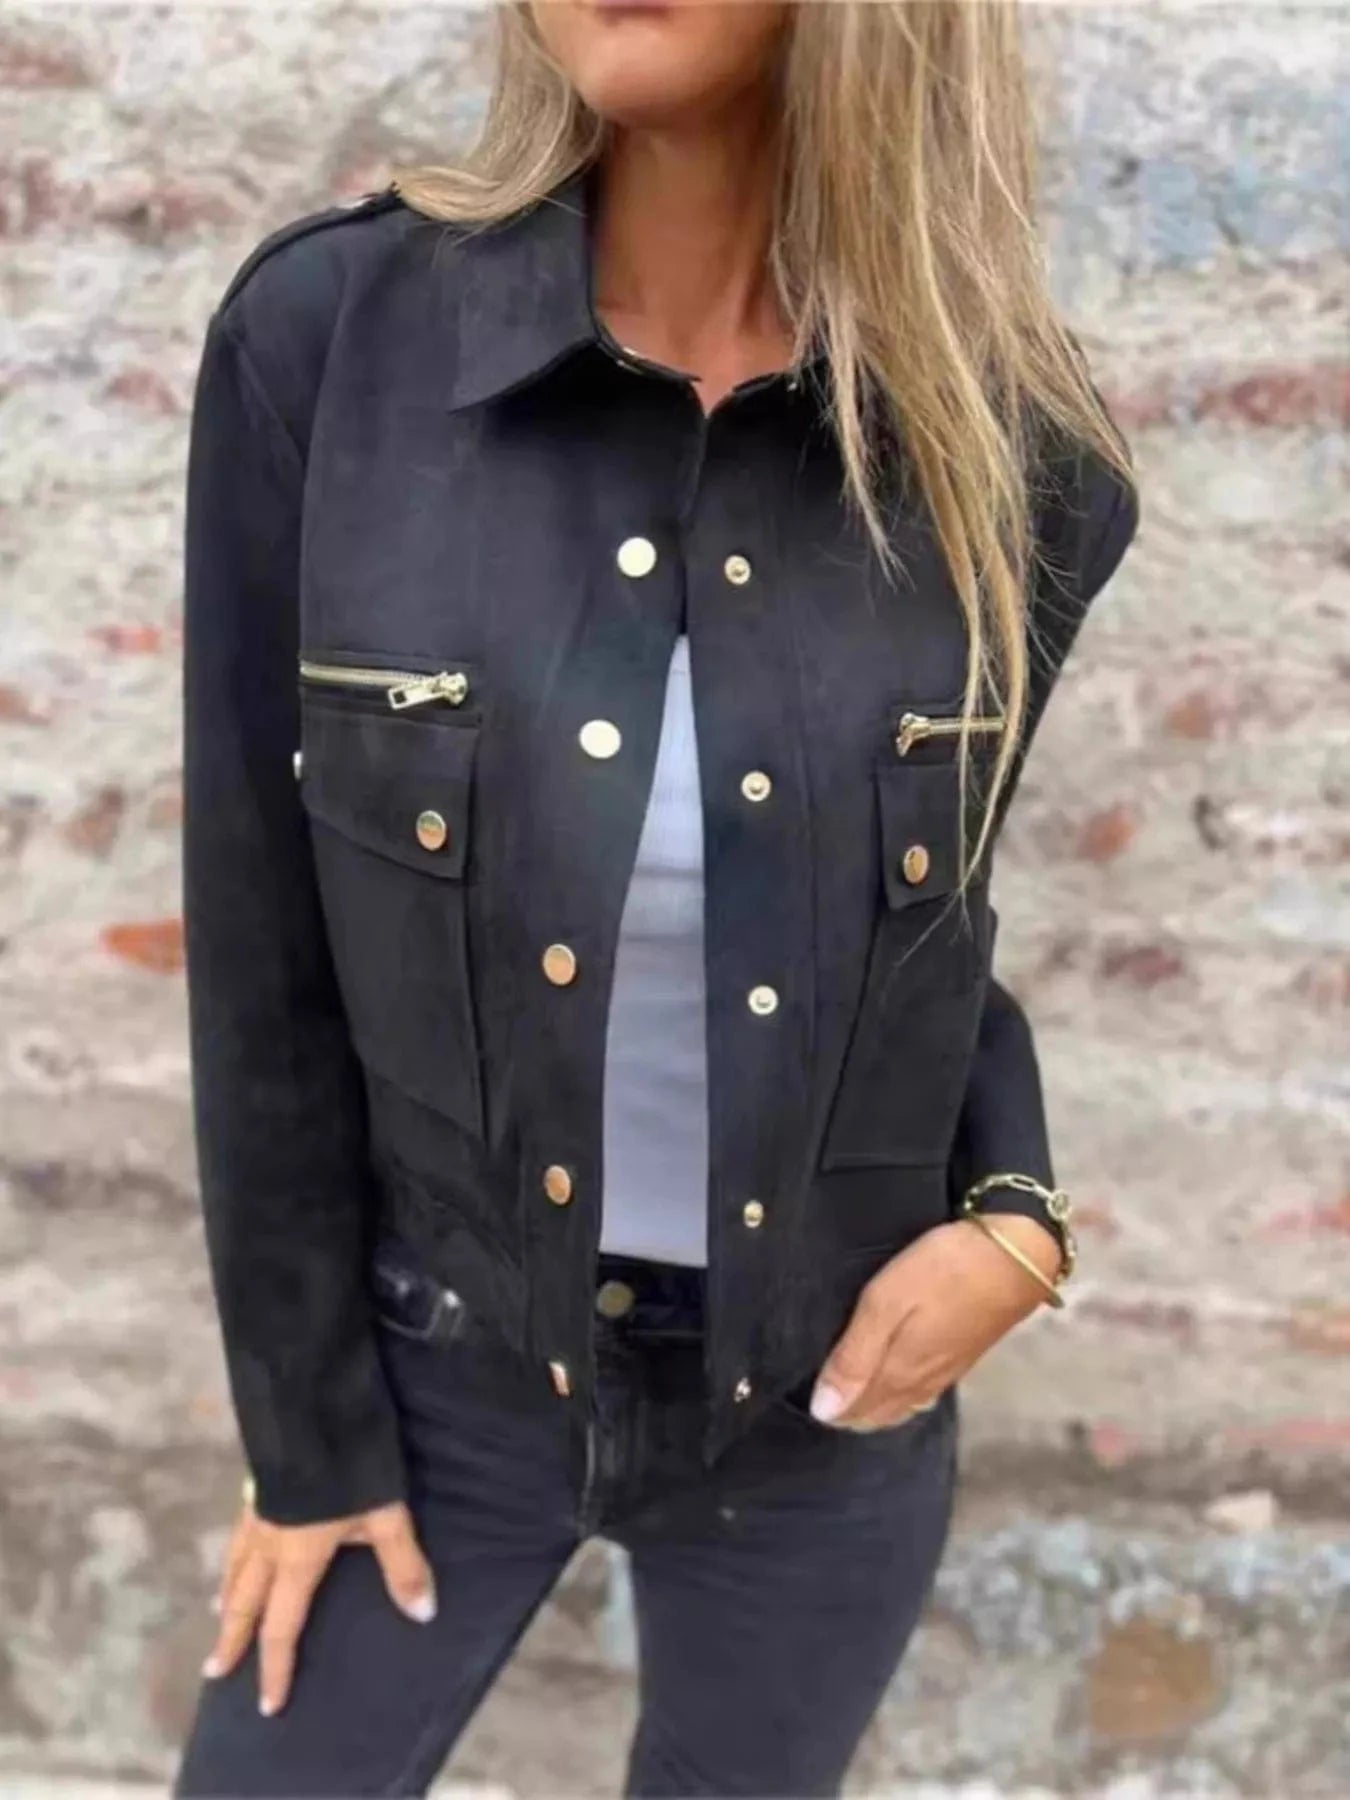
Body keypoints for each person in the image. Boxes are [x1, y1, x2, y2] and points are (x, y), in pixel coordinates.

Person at [172, 2, 1139, 1794]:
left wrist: (1014, 1221)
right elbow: (258, 940)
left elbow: (932, 937)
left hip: (824, 1408)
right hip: (437, 1366)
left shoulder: (1019, 449)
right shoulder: (331, 345)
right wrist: (304, 1438)